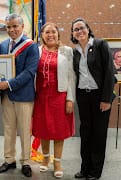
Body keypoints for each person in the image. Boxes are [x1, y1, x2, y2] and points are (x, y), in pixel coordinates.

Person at [70, 17, 115, 180]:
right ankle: (84, 168)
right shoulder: (74, 51)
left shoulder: (100, 45)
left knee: (99, 134)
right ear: (73, 34)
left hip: (99, 97)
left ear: (88, 29)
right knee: (86, 133)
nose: (79, 31)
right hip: (83, 96)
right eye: (76, 29)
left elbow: (110, 73)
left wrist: (106, 99)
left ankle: (95, 171)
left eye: (82, 28)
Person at [0, 13, 39, 178]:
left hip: (24, 96)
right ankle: (9, 159)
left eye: (15, 26)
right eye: (8, 27)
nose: (12, 29)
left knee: (24, 130)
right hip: (6, 96)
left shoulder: (31, 46)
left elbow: (30, 72)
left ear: (22, 27)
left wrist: (9, 84)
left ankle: (25, 161)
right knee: (8, 129)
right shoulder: (4, 44)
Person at [32, 22, 75, 178]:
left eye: (53, 32)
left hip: (59, 96)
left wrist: (70, 99)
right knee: (43, 130)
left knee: (58, 131)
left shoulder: (67, 51)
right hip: (41, 96)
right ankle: (45, 160)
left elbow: (71, 76)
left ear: (58, 34)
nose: (50, 35)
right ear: (42, 35)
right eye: (47, 32)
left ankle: (57, 163)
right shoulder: (36, 51)